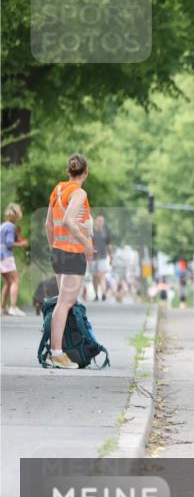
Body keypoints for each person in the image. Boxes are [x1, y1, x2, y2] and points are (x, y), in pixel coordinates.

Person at [44, 154, 94, 368]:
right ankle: (56, 353)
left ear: (68, 171)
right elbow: (68, 221)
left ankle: (59, 350)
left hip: (58, 251)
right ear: (86, 172)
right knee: (65, 303)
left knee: (63, 302)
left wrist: (53, 246)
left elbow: (49, 224)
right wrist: (86, 243)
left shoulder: (58, 190)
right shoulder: (79, 193)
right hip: (73, 253)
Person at [1, 203, 29, 316]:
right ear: (17, 215)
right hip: (6, 256)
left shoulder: (2, 225)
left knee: (8, 282)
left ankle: (2, 307)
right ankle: (13, 307)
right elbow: (9, 243)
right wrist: (21, 243)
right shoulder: (11, 227)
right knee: (15, 280)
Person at [90, 215, 112, 301]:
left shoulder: (106, 233)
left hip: (103, 257)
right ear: (95, 221)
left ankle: (103, 293)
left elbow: (109, 246)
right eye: (99, 220)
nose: (100, 222)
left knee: (102, 276)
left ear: (103, 222)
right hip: (93, 258)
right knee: (94, 277)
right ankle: (96, 295)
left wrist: (111, 257)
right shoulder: (91, 232)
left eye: (102, 221)